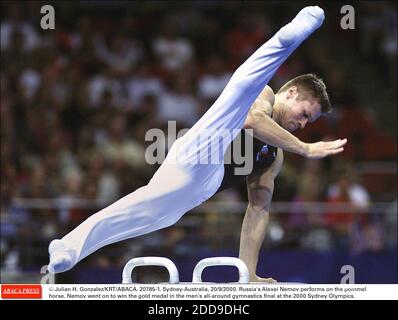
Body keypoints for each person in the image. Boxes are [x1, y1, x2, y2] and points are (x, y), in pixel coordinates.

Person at [48, 6, 347, 277]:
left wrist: (249, 274)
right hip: (195, 153)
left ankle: (67, 250)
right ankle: (286, 40)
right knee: (242, 93)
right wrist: (305, 148)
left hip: (198, 189)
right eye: (305, 113)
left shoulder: (274, 157)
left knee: (130, 216)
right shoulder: (266, 96)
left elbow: (257, 211)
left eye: (310, 122)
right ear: (292, 93)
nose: (304, 124)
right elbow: (251, 120)